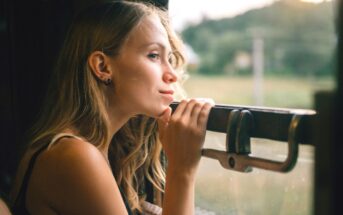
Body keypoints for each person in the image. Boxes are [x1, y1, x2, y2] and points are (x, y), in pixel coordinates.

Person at [9, 1, 213, 214]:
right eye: (153, 55)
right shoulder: (74, 156)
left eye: (170, 59)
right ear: (102, 67)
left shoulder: (98, 150)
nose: (172, 75)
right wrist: (182, 171)